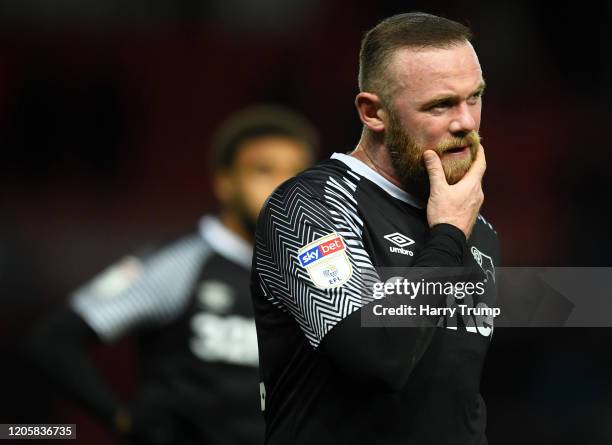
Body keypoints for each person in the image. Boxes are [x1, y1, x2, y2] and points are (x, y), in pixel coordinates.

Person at [251, 12, 501, 445]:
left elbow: (454, 403)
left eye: (474, 98)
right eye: (440, 105)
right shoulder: (309, 208)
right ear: (373, 112)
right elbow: (379, 357)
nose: (466, 123)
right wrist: (447, 236)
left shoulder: (477, 227)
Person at [26, 105, 317, 445]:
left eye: (297, 173)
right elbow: (54, 339)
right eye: (263, 170)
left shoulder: (317, 273)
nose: (283, 186)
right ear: (224, 183)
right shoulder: (183, 264)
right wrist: (124, 421)